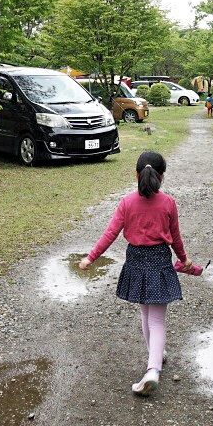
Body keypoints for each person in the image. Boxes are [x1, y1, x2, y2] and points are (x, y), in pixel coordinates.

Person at [79, 151, 193, 396]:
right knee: (157, 319)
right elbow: (175, 239)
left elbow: (110, 233)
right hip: (160, 262)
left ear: (136, 175)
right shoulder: (169, 203)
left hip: (136, 263)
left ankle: (155, 355)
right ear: (162, 176)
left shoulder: (127, 202)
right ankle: (154, 368)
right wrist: (184, 260)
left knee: (145, 312)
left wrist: (91, 257)